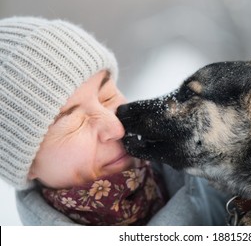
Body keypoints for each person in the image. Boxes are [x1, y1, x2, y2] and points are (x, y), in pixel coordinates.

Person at [0, 16, 228, 226]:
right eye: (74, 122)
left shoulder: (231, 183)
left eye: (107, 95)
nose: (116, 128)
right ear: (26, 165)